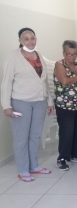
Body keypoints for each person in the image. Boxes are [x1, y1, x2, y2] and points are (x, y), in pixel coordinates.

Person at [1, 28, 54, 182]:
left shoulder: (39, 55)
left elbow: (43, 80)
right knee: (21, 137)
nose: (30, 41)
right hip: (21, 102)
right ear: (20, 41)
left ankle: (34, 166)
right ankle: (23, 169)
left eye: (33, 38)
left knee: (35, 135)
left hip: (40, 101)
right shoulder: (13, 57)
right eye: (26, 39)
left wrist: (49, 101)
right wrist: (6, 106)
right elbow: (6, 83)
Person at [54, 40, 77, 170]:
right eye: (69, 54)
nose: (72, 57)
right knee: (66, 132)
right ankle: (62, 158)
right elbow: (64, 81)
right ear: (64, 53)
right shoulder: (60, 65)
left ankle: (75, 154)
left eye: (75, 54)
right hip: (65, 106)